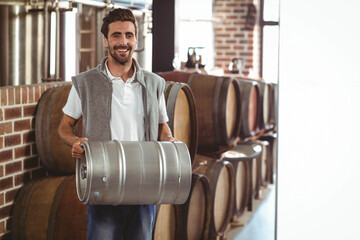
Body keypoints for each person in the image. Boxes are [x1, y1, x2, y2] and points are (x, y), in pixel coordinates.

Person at [58, 8, 175, 240]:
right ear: (106, 40)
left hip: (144, 184)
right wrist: (75, 141)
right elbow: (64, 127)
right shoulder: (85, 83)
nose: (124, 42)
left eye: (129, 35)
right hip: (103, 184)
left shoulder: (154, 84)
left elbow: (162, 126)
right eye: (117, 35)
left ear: (136, 39)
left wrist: (169, 139)